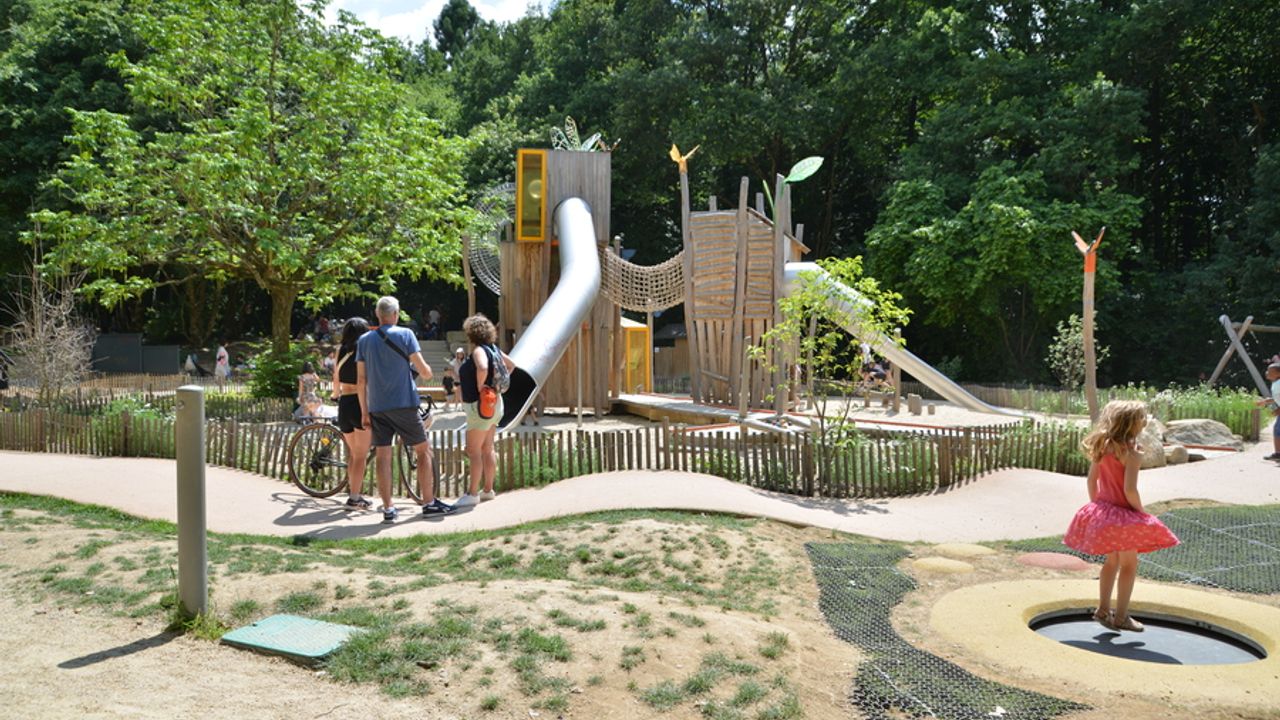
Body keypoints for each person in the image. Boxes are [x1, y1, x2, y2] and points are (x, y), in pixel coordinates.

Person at [1063, 400, 1179, 632]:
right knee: (1129, 565)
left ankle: (1103, 609)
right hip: (1123, 516)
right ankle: (1122, 617)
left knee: (1111, 561)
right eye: (1142, 418)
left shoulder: (1102, 446)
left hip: (1103, 511)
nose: (1145, 421)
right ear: (1132, 424)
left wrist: (1096, 506)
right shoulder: (1131, 453)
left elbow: (1091, 480)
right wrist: (1141, 512)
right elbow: (1129, 490)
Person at [357, 296, 453, 522]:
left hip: (376, 406)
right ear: (396, 314)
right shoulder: (405, 335)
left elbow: (361, 380)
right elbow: (424, 370)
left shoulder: (364, 340)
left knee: (383, 455)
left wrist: (364, 412)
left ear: (378, 315)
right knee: (423, 450)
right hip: (403, 404)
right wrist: (427, 372)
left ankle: (388, 508)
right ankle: (429, 503)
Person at [456, 314, 516, 507]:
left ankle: (472, 493)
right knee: (488, 448)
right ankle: (488, 490)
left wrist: (482, 386)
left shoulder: (479, 350)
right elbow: (511, 366)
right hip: (495, 403)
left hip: (480, 405)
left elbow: (482, 367)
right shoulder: (494, 349)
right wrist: (495, 386)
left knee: (473, 451)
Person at [331, 318, 372, 510]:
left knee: (354, 455)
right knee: (360, 455)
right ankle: (354, 498)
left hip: (344, 404)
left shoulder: (340, 350)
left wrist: (334, 395)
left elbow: (335, 379)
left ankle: (354, 493)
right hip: (359, 402)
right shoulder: (363, 350)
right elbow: (364, 380)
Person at [1254, 362, 1280, 461]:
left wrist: (1278, 409)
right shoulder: (1275, 383)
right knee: (1277, 430)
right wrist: (1265, 402)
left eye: (1270, 371)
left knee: (1277, 430)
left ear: (1278, 374)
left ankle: (1278, 453)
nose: (1267, 372)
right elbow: (1276, 398)